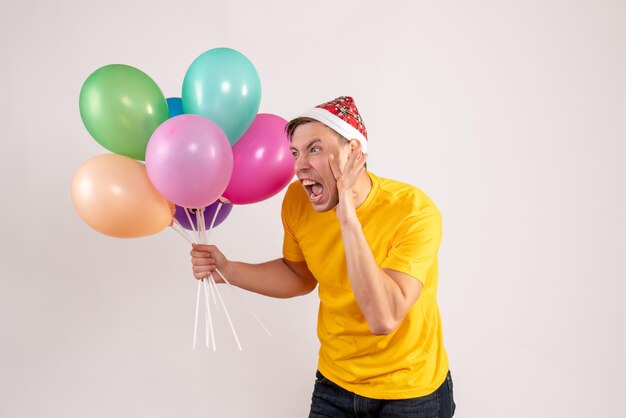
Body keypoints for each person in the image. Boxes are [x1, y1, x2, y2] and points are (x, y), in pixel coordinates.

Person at [191, 96, 455, 417]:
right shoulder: (296, 201)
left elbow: (384, 317)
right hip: (335, 383)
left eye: (314, 149)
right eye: (295, 153)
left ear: (354, 152)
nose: (299, 165)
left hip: (410, 390)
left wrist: (347, 217)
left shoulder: (413, 212)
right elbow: (298, 275)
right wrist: (228, 270)